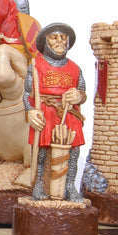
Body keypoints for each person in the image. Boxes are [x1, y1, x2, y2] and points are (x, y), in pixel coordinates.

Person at [24, 23, 87, 202]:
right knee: (41, 153)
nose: (59, 41)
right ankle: (39, 186)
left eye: (63, 38)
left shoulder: (75, 68)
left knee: (73, 152)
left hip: (69, 114)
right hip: (44, 112)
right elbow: (27, 94)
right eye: (54, 37)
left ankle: (69, 187)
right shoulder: (36, 66)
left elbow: (82, 92)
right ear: (46, 42)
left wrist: (78, 96)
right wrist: (30, 111)